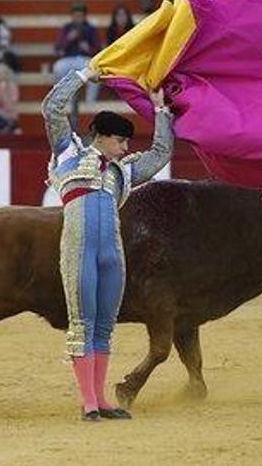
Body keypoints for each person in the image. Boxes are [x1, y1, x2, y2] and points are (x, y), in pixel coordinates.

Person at [42, 65, 174, 421]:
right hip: (78, 250)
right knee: (82, 323)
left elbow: (161, 153)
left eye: (127, 143)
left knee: (103, 325)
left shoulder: (123, 170)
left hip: (111, 254)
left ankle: (101, 400)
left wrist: (160, 109)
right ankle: (88, 403)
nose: (125, 147)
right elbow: (52, 107)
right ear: (100, 136)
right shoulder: (68, 152)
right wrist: (84, 75)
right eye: (120, 141)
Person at [53, 2, 101, 104]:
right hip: (68, 58)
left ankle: (90, 103)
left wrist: (88, 49)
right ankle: (64, 102)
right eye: (75, 16)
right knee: (57, 68)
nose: (78, 18)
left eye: (80, 16)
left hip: (85, 59)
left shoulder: (91, 29)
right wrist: (68, 39)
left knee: (95, 71)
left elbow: (98, 50)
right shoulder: (67, 28)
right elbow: (57, 48)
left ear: (84, 16)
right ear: (72, 16)